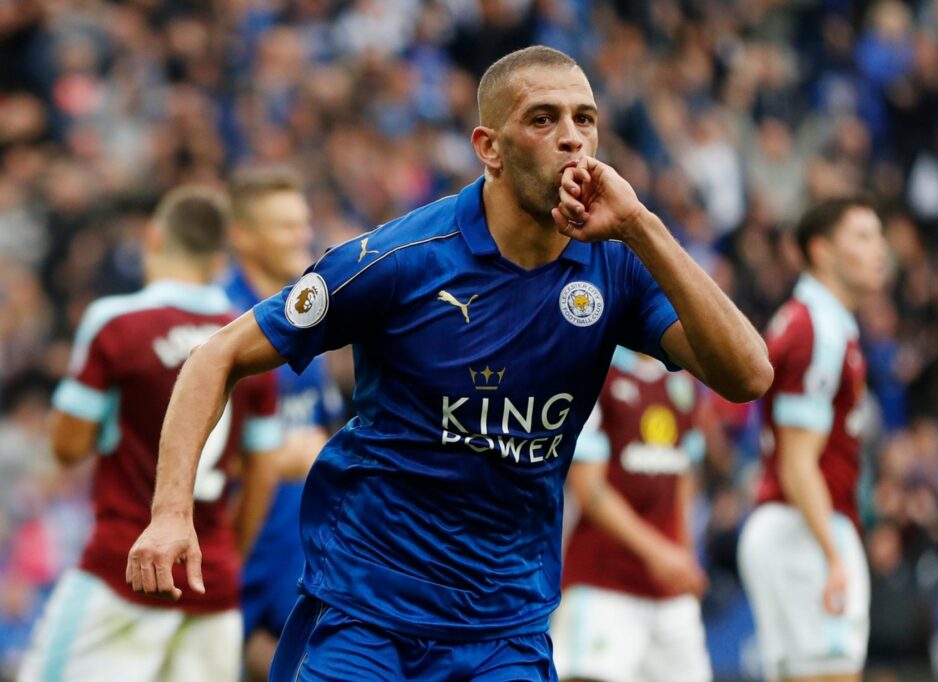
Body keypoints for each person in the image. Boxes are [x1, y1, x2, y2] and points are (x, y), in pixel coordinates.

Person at [127, 46, 773, 681]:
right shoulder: (402, 259)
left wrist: (643, 227)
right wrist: (168, 513)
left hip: (505, 627)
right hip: (367, 613)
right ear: (489, 148)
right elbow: (216, 355)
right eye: (543, 119)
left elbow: (749, 376)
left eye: (586, 119)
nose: (572, 139)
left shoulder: (618, 265)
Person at [19, 187, 283, 682]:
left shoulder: (117, 323)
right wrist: (229, 556)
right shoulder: (248, 336)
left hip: (122, 572)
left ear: (154, 237)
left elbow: (66, 447)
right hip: (213, 583)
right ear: (219, 259)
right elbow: (263, 471)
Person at [737, 197, 888, 682]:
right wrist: (833, 554)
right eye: (863, 237)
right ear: (821, 251)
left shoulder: (813, 321)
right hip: (805, 531)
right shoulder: (817, 330)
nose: (880, 250)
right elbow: (798, 464)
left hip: (788, 528)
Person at [224, 166, 345, 680]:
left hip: (292, 552)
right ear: (243, 236)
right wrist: (273, 461)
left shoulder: (305, 320)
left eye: (304, 223)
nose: (304, 236)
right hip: (232, 549)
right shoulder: (221, 326)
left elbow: (326, 432)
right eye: (286, 226)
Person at [552, 346, 713, 682]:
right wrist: (660, 552)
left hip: (669, 590)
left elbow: (682, 477)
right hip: (602, 581)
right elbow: (589, 489)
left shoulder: (682, 383)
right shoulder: (596, 371)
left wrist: (684, 553)